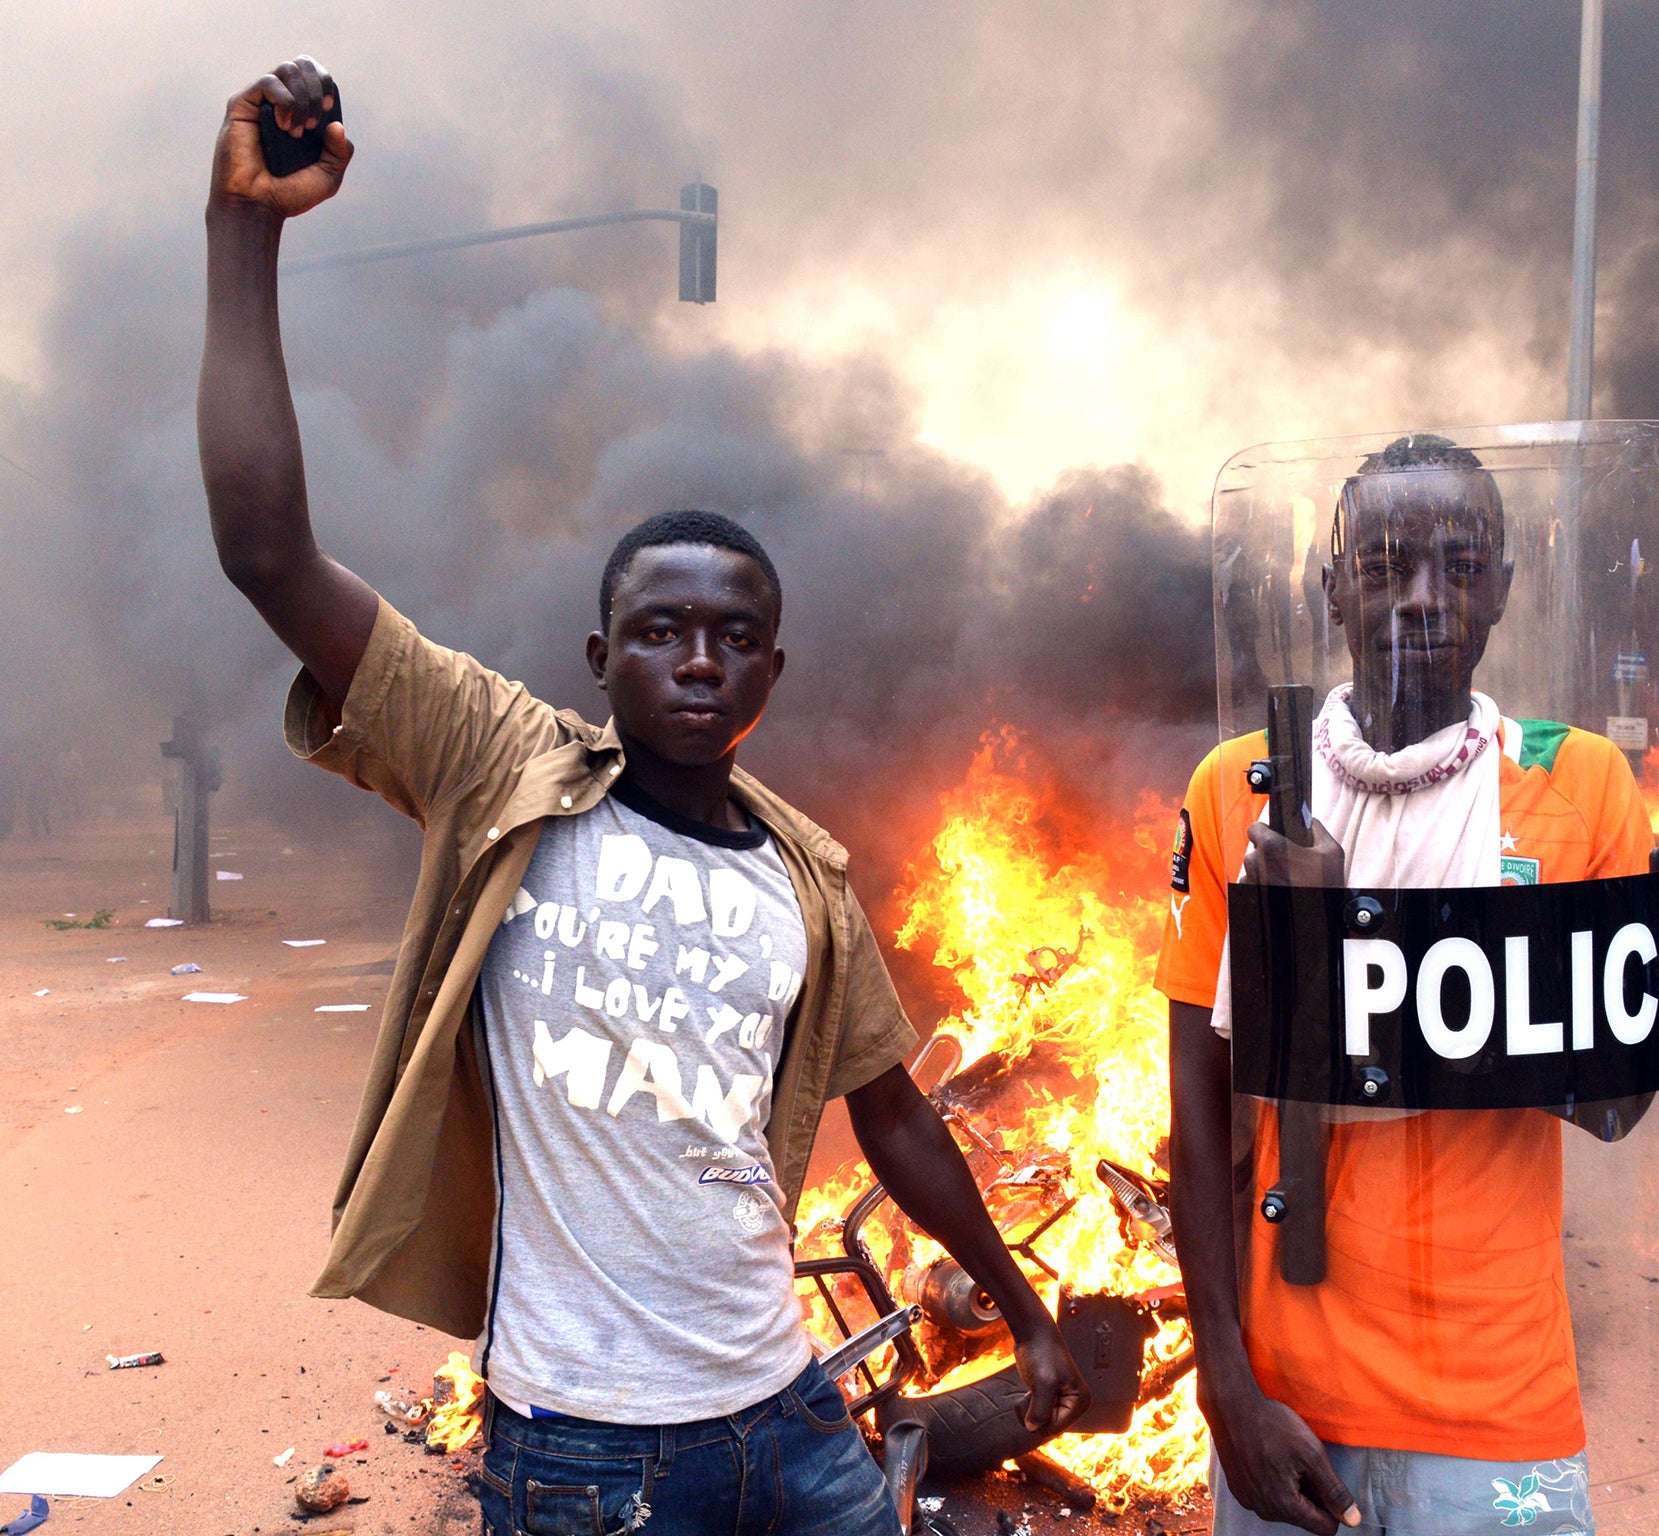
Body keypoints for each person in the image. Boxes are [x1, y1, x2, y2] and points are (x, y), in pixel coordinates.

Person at [198, 57, 1087, 1536]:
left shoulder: (803, 871)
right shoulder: (503, 762)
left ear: (773, 670)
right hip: (585, 1458)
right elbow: (267, 551)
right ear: (604, 657)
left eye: (734, 635)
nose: (698, 660)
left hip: (793, 1423)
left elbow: (901, 1120)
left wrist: (1024, 1308)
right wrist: (246, 236)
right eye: (663, 631)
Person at [1159, 435, 1652, 1536]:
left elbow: (1619, 1105)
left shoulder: (1576, 786)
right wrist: (1224, 1383)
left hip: (1494, 1400)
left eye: (1459, 567)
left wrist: (1355, 953)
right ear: (1333, 588)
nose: (1422, 601)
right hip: (1286, 1395)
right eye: (1382, 568)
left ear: (1502, 590)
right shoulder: (1241, 787)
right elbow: (1200, 1113)